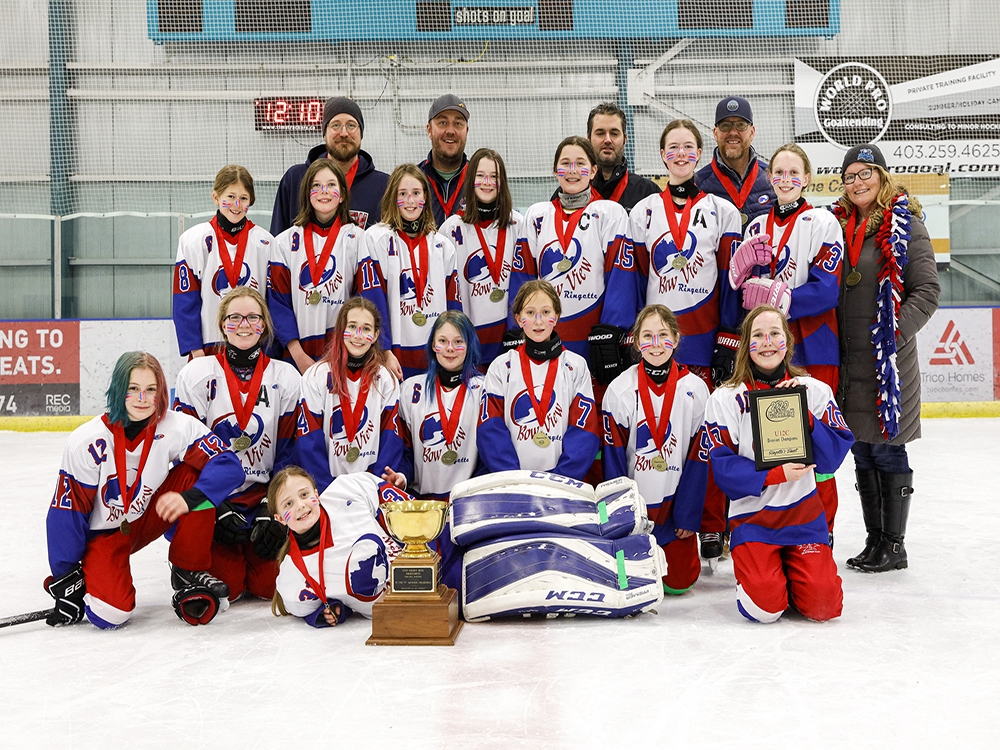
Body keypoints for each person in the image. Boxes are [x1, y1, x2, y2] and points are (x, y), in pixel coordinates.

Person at [44, 351, 245, 628]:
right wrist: (65, 576)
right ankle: (95, 578)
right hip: (105, 535)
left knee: (197, 474)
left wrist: (191, 499)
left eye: (151, 390)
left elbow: (228, 464)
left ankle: (188, 570)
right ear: (118, 390)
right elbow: (67, 511)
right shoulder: (87, 441)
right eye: (133, 389)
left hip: (149, 516)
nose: (143, 399)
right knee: (110, 614)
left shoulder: (175, 426)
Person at [704, 306, 854, 623]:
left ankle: (797, 573)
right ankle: (769, 577)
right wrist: (775, 473)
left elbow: (834, 456)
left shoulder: (814, 390)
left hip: (804, 518)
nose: (768, 341)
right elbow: (723, 469)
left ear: (787, 339)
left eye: (775, 333)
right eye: (758, 335)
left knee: (825, 607)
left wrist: (806, 417)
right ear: (746, 344)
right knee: (766, 610)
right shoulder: (724, 398)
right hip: (754, 519)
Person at [834, 143, 939, 573]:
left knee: (888, 449)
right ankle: (874, 540)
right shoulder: (835, 224)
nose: (857, 182)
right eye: (850, 175)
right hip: (844, 358)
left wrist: (890, 335)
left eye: (866, 173)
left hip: (885, 361)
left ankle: (894, 544)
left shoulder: (906, 224)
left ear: (881, 176)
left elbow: (927, 292)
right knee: (861, 450)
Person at [733, 143, 845, 537]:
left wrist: (782, 299)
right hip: (767, 350)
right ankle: (776, 526)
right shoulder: (755, 227)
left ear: (807, 178)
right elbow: (745, 295)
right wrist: (738, 276)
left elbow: (827, 291)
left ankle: (820, 530)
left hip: (813, 346)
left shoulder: (823, 222)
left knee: (818, 443)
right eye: (777, 173)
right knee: (774, 439)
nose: (784, 180)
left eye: (793, 172)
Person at [172, 288, 300, 602]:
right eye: (234, 318)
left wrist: (274, 508)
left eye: (253, 317)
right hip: (217, 500)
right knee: (230, 586)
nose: (244, 325)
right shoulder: (196, 374)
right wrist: (211, 507)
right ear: (222, 324)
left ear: (264, 325)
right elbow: (182, 455)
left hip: (261, 499)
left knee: (268, 587)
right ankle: (191, 557)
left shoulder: (285, 377)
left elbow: (288, 451)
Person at [621, 119, 742, 385]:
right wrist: (635, 333)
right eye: (673, 147)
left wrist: (729, 337)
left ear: (699, 153)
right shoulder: (643, 211)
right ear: (663, 154)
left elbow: (729, 280)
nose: (681, 154)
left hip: (705, 337)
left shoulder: (723, 211)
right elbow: (639, 278)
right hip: (656, 341)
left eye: (688, 147)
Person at [602, 305, 711, 594]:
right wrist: (621, 518)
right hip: (637, 511)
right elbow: (612, 459)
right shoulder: (620, 389)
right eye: (647, 336)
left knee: (680, 582)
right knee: (630, 583)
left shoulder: (696, 389)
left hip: (675, 513)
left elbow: (698, 459)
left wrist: (687, 516)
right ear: (637, 342)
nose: (656, 344)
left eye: (663, 335)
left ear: (676, 339)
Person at [509, 136, 631, 384]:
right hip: (544, 333)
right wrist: (518, 326)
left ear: (594, 170)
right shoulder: (536, 215)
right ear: (555, 171)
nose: (572, 171)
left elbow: (620, 276)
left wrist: (611, 330)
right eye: (565, 164)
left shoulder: (610, 213)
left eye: (580, 163)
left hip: (591, 337)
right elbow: (524, 278)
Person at [393, 310, 484, 589]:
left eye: (458, 342)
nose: (450, 349)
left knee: (457, 587)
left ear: (469, 345)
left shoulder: (483, 389)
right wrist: (402, 477)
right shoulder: (411, 390)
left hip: (465, 509)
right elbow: (406, 450)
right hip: (423, 508)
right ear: (432, 344)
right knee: (421, 589)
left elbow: (489, 452)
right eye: (442, 341)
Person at [479, 280, 600, 480]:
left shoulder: (575, 366)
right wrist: (513, 478)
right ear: (518, 319)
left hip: (562, 484)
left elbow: (585, 431)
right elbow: (489, 430)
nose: (538, 320)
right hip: (514, 484)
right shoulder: (502, 367)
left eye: (545, 312)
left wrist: (561, 479)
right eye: (529, 313)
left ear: (557, 316)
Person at [359, 164, 462, 378]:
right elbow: (372, 302)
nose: (410, 201)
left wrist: (452, 351)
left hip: (435, 356)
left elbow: (453, 308)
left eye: (416, 193)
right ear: (391, 198)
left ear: (425, 197)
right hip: (392, 356)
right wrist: (384, 351)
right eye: (403, 194)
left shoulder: (442, 246)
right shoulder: (376, 238)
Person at [268, 466, 404, 627]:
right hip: (394, 620)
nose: (300, 505)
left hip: (434, 578)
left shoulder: (349, 490)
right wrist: (334, 610)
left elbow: (417, 522)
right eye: (288, 504)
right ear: (280, 519)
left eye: (304, 495)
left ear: (316, 495)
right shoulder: (291, 579)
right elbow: (327, 603)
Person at [296, 297, 404, 493]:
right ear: (340, 330)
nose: (358, 335)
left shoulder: (386, 379)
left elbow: (391, 438)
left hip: (371, 487)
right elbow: (309, 442)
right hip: (327, 488)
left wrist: (375, 487)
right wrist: (328, 490)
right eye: (352, 326)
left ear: (376, 334)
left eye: (367, 329)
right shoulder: (316, 376)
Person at [268, 159, 366, 373]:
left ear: (341, 195)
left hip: (344, 353)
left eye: (331, 185)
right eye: (316, 185)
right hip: (295, 357)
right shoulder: (285, 242)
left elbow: (362, 300)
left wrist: (345, 351)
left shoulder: (358, 240)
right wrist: (297, 354)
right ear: (306, 193)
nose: (324, 191)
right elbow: (277, 302)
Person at [173, 164, 273, 358]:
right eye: (230, 197)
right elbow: (185, 302)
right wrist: (196, 351)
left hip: (254, 349)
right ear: (216, 197)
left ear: (250, 201)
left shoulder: (266, 242)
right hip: (209, 350)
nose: (237, 204)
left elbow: (272, 303)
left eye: (243, 198)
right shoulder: (194, 240)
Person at [440, 148, 524, 365]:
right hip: (468, 338)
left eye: (494, 177)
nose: (487, 182)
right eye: (480, 176)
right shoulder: (451, 228)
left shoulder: (518, 224)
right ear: (470, 180)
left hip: (509, 336)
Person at [270, 96, 389, 234]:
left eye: (351, 125)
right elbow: (277, 240)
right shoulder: (295, 179)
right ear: (324, 133)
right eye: (336, 125)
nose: (344, 133)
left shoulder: (384, 186)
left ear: (361, 133)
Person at [695, 96, 776, 229]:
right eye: (725, 126)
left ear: (752, 132)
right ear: (715, 133)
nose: (733, 132)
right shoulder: (697, 185)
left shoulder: (772, 180)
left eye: (741, 125)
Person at [586, 102, 660, 212]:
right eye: (600, 133)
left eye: (614, 133)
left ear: (625, 139)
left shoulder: (648, 193)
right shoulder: (571, 193)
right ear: (589, 139)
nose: (607, 140)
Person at [420, 94, 471, 226]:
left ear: (466, 131)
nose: (450, 131)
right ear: (429, 130)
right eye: (443, 123)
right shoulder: (412, 180)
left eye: (458, 123)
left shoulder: (480, 181)